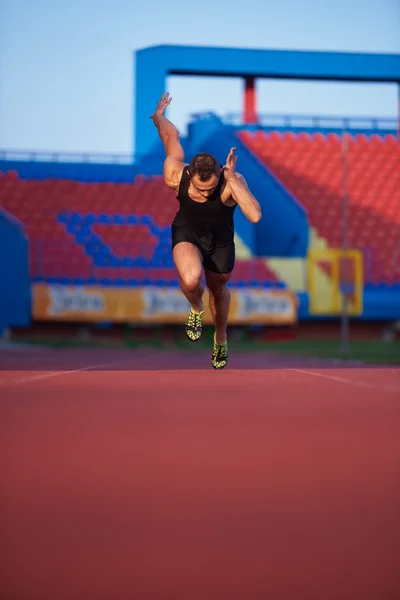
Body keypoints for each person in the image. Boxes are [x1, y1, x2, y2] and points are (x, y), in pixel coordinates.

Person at [150, 92, 262, 369]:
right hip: (187, 232)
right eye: (201, 189)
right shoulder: (175, 173)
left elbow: (255, 215)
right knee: (190, 280)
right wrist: (160, 117)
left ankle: (220, 339)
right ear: (190, 177)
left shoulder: (229, 181)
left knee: (218, 289)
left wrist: (233, 179)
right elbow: (171, 138)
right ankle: (197, 309)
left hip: (221, 241)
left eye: (211, 187)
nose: (206, 192)